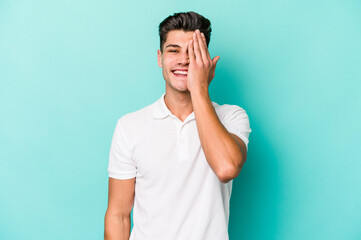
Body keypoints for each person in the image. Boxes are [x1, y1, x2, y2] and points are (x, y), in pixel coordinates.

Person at [104, 11, 251, 240]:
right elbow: (118, 215)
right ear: (160, 57)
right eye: (174, 50)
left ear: (205, 58)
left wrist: (199, 88)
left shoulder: (231, 117)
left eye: (192, 52)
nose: (184, 60)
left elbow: (226, 168)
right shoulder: (129, 126)